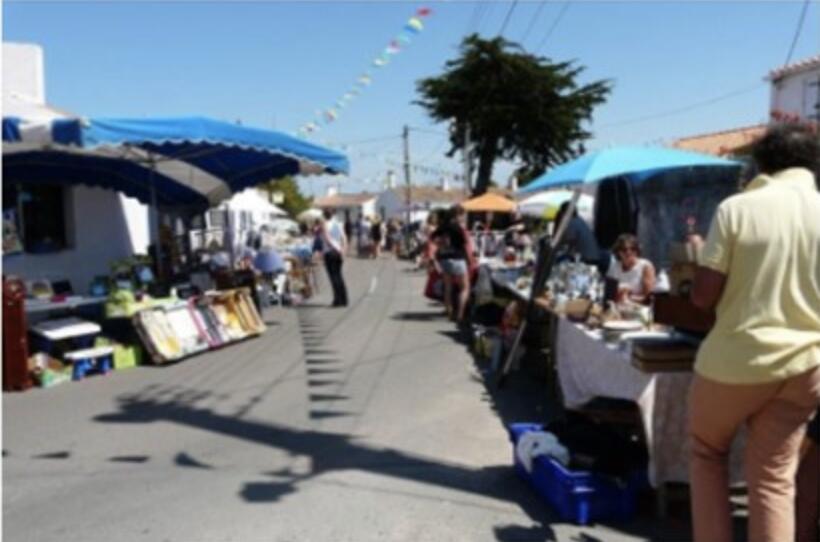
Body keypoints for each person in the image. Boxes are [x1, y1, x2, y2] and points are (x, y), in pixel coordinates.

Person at [688, 123, 820, 542]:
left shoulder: (737, 208)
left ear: (761, 163)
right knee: (774, 479)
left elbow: (703, 298)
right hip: (806, 367)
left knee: (707, 453)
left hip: (734, 363)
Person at [432, 206, 472, 324]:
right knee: (465, 288)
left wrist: (441, 244)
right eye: (462, 215)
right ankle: (459, 315)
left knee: (448, 287)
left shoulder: (443, 226)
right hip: (458, 258)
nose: (463, 217)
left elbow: (432, 237)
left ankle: (448, 310)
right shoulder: (458, 228)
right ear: (457, 215)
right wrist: (470, 260)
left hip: (445, 258)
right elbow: (465, 244)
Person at [554, 201, 606, 272]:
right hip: (593, 257)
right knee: (563, 259)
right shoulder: (579, 220)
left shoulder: (572, 222)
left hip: (587, 259)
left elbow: (568, 240)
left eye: (562, 212)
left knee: (559, 262)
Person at [606, 234, 655, 303]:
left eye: (633, 249)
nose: (628, 252)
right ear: (618, 251)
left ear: (637, 250)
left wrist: (628, 297)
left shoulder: (645, 266)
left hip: (637, 309)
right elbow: (608, 293)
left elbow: (649, 298)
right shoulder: (614, 266)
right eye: (624, 249)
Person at [314, 209, 348, 307]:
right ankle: (344, 299)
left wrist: (335, 248)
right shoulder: (338, 223)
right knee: (339, 276)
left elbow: (327, 238)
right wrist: (343, 250)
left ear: (324, 216)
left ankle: (337, 300)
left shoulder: (324, 224)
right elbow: (344, 237)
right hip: (339, 252)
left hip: (330, 252)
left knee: (333, 277)